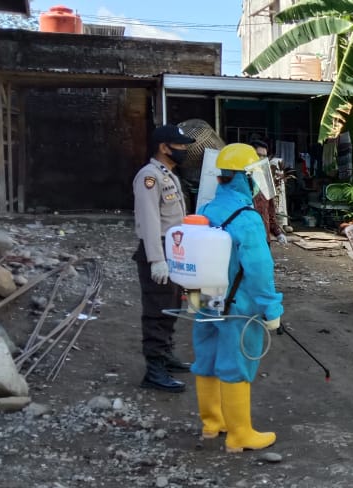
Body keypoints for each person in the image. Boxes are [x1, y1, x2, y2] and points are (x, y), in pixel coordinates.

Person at [193, 143, 284, 453]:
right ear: (244, 178)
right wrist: (272, 309)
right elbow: (259, 269)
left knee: (206, 359)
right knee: (235, 364)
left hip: (205, 299)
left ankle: (212, 423)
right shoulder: (247, 218)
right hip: (238, 306)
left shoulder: (204, 210)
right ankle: (239, 434)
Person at [132, 124, 195, 393]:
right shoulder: (149, 176)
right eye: (179, 145)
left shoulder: (169, 175)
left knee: (171, 305)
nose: (184, 149)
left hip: (173, 248)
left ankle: (166, 356)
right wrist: (156, 259)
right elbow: (149, 219)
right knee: (157, 310)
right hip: (157, 249)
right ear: (164, 147)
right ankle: (154, 370)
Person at [250, 140, 287, 246]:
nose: (261, 159)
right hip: (247, 237)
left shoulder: (266, 179)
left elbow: (270, 211)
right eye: (258, 155)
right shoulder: (242, 179)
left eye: (264, 156)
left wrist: (277, 233)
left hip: (264, 237)